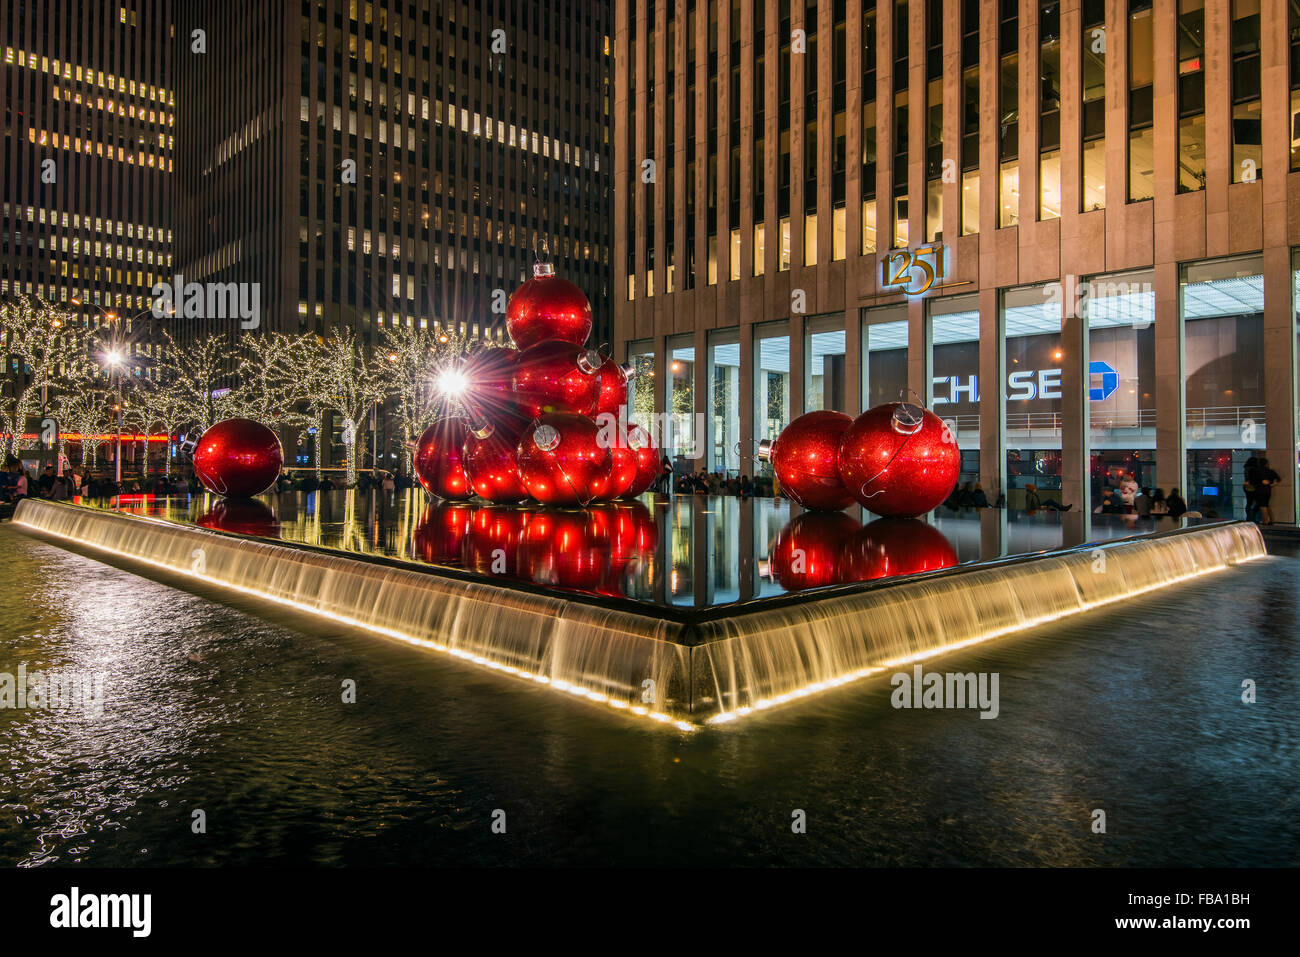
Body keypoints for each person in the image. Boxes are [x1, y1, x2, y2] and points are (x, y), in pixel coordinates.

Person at [1255, 458, 1281, 525]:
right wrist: (1272, 484)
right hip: (1268, 490)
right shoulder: (1270, 471)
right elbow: (1278, 479)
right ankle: (1271, 520)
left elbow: (1254, 481)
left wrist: (1261, 482)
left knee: (1262, 505)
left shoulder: (1257, 471)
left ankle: (1265, 520)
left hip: (1260, 490)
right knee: (1266, 505)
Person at [1243, 456, 1261, 523]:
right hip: (1252, 486)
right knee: (1258, 502)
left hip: (1247, 486)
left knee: (1249, 502)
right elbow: (1253, 479)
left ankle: (1249, 517)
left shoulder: (1246, 469)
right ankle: (1252, 516)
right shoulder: (1253, 469)